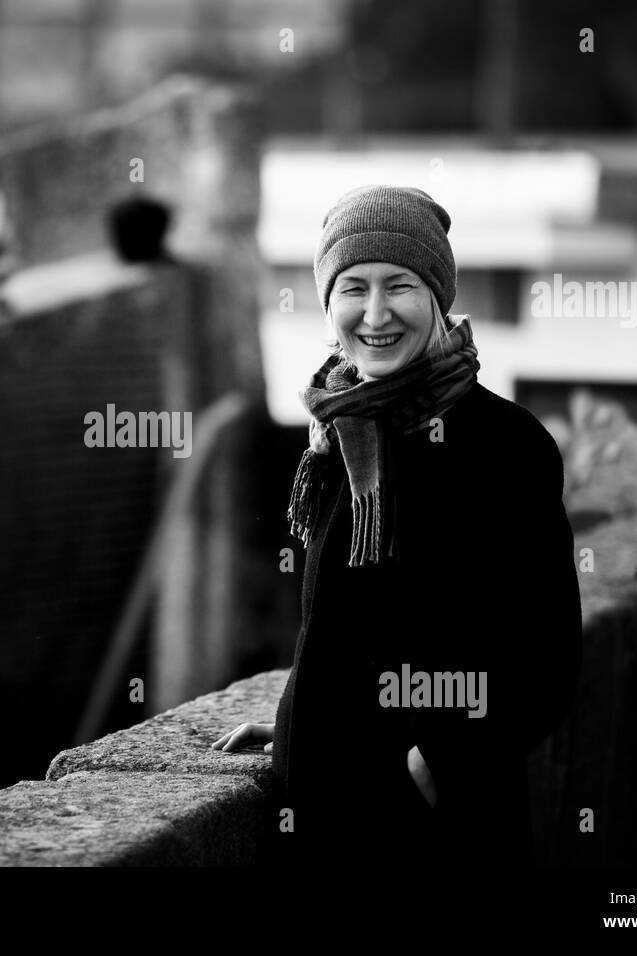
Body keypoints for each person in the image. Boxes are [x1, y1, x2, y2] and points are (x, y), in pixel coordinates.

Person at [211, 185, 582, 866]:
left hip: (438, 830)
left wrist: (438, 759)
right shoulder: (341, 435)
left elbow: (548, 658)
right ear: (328, 302)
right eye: (353, 287)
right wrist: (300, 721)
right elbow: (346, 629)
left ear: (437, 297)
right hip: (325, 806)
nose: (375, 313)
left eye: (400, 286)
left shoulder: (505, 445)